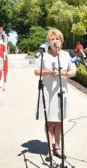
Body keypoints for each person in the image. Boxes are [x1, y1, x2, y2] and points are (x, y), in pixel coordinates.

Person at [34, 28, 76, 161]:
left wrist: (63, 73)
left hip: (60, 91)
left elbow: (73, 72)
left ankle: (57, 147)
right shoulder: (43, 55)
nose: (55, 41)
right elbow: (36, 71)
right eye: (52, 39)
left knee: (58, 121)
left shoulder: (66, 56)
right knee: (49, 121)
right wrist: (47, 72)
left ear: (61, 41)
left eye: (57, 38)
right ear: (48, 42)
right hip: (47, 91)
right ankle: (50, 149)